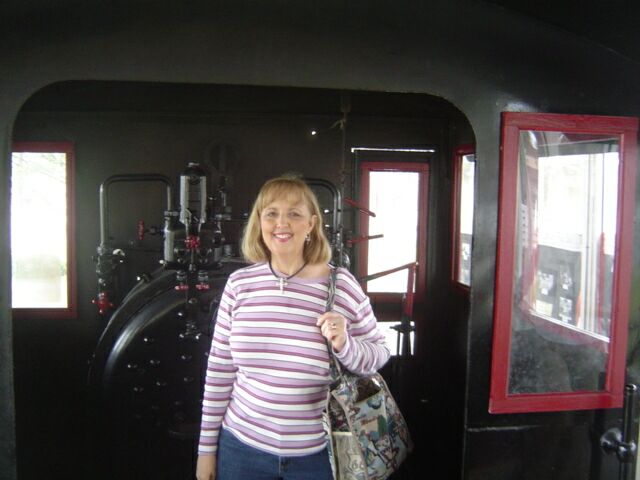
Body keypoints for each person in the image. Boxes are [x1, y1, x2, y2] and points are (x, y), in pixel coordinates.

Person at [196, 174, 390, 480]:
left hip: (319, 457)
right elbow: (219, 371)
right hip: (242, 450)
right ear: (260, 222)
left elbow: (379, 353)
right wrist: (206, 450)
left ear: (311, 224)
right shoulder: (240, 285)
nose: (281, 223)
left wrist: (346, 345)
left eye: (294, 214)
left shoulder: (341, 285)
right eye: (271, 213)